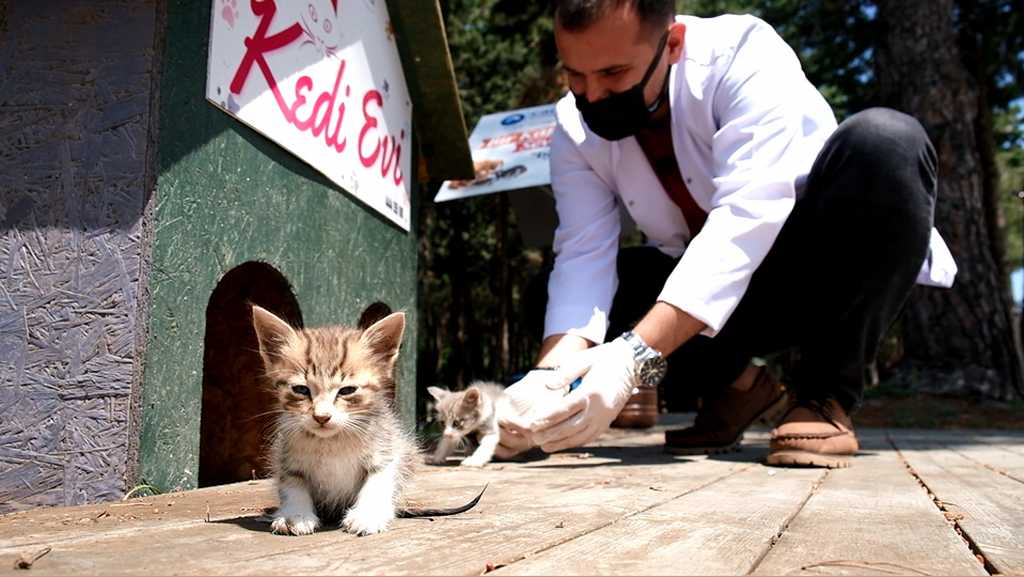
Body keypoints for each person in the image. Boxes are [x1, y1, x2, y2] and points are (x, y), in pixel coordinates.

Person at [496, 0, 957, 468]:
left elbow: (745, 218)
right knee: (548, 295)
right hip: (717, 305)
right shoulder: (573, 126)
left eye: (613, 73)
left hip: (817, 277)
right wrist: (548, 382)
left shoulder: (743, 56)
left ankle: (825, 395)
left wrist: (630, 357)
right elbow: (582, 256)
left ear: (672, 44)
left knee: (886, 141)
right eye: (576, 75)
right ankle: (740, 387)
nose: (591, 96)